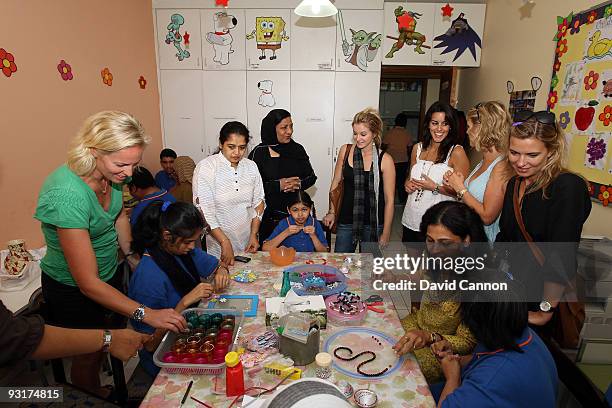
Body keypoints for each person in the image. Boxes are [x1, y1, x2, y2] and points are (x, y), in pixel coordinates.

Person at [34, 111, 186, 396]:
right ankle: (89, 395)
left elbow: (118, 218)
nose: (129, 174)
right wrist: (146, 313)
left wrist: (131, 257)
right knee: (89, 351)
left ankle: (98, 386)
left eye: (134, 164)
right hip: (73, 289)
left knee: (109, 342)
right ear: (93, 152)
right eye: (121, 164)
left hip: (108, 274)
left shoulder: (112, 175)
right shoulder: (67, 194)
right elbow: (88, 283)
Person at [495, 111, 591, 328]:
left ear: (551, 151)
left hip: (543, 298)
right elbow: (507, 236)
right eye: (514, 153)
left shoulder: (567, 187)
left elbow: (561, 252)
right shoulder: (515, 184)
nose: (521, 162)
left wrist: (545, 309)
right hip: (514, 290)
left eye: (532, 155)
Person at [128, 201, 230, 377]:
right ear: (167, 235)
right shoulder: (147, 279)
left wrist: (222, 270)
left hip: (191, 333)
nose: (193, 247)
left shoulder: (180, 251)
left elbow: (218, 265)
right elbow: (150, 345)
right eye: (189, 242)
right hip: (167, 357)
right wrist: (184, 303)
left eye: (195, 241)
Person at [393, 201, 482, 383]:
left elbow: (467, 342)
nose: (434, 250)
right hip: (415, 327)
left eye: (445, 243)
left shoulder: (477, 280)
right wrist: (396, 278)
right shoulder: (433, 258)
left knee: (398, 372)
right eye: (430, 241)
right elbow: (421, 276)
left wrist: (429, 337)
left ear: (466, 241)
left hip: (441, 353)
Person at [433, 282, 558, 407]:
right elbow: (483, 358)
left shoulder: (491, 380)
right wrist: (456, 360)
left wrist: (452, 378)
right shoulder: (518, 332)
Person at [323, 108, 395, 253]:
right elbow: (336, 182)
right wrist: (332, 211)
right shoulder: (346, 151)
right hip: (346, 219)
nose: (358, 138)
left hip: (372, 222)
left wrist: (386, 233)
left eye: (363, 134)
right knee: (342, 264)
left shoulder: (385, 160)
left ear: (374, 134)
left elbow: (389, 200)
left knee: (369, 268)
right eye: (355, 134)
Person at [195, 121, 265, 264]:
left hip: (247, 242)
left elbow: (259, 202)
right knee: (224, 282)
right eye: (231, 147)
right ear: (221, 144)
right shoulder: (206, 168)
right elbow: (204, 209)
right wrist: (224, 241)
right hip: (219, 244)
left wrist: (254, 234)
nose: (237, 153)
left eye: (242, 148)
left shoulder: (251, 167)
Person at [0, 300, 149, 366]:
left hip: (105, 285)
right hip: (77, 297)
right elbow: (15, 336)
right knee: (87, 359)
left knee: (97, 357)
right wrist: (143, 313)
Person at [401, 101, 470, 243]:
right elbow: (409, 178)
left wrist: (435, 187)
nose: (439, 129)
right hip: (411, 218)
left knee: (435, 264)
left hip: (438, 224)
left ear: (450, 126)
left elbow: (462, 194)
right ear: (428, 124)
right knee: (413, 264)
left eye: (444, 124)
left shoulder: (456, 152)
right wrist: (407, 184)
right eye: (435, 123)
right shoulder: (417, 148)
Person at [443, 101, 512, 242]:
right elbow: (472, 198)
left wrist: (461, 188)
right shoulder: (483, 160)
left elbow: (487, 217)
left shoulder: (500, 166)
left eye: (469, 127)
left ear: (482, 128)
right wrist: (457, 184)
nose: (467, 131)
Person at [249, 109, 317, 246]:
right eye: (284, 127)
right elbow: (251, 187)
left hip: (296, 218)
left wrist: (299, 184)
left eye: (291, 126)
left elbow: (311, 177)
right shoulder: (259, 153)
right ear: (272, 129)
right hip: (269, 219)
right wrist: (278, 185)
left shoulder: (297, 149)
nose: (289, 131)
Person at [262, 190, 328, 252]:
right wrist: (286, 232)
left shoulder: (315, 223)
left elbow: (324, 252)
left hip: (309, 262)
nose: (300, 214)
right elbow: (265, 248)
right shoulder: (284, 224)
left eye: (304, 209)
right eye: (295, 210)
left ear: (310, 208)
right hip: (289, 261)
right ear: (288, 210)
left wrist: (313, 236)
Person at [383, 112, 413, 203]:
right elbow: (410, 148)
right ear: (405, 123)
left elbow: (383, 146)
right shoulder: (407, 134)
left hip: (391, 161)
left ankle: (388, 199)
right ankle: (402, 200)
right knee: (401, 182)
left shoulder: (390, 133)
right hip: (403, 161)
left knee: (389, 182)